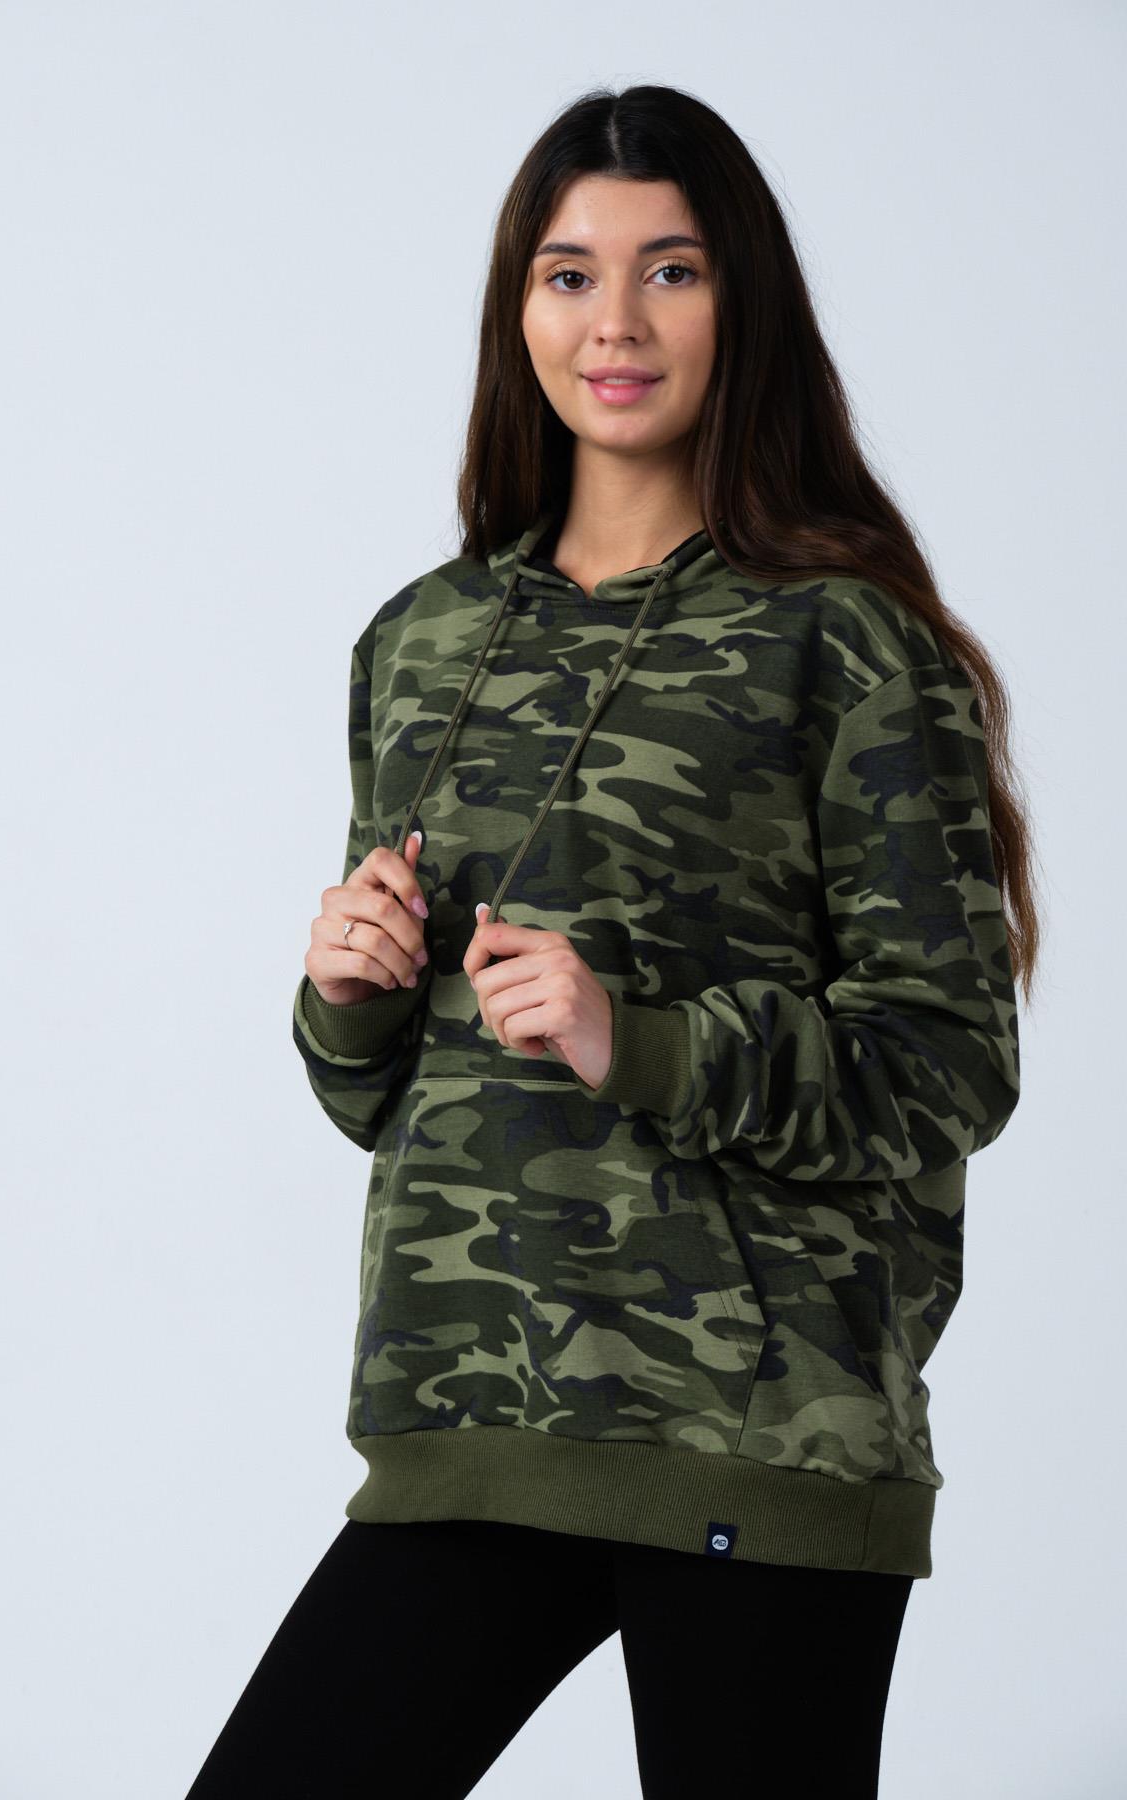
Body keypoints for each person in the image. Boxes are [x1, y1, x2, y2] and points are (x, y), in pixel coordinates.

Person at [185, 81, 1038, 1799]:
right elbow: (384, 1100)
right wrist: (347, 1000)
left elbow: (948, 1065)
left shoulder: (847, 645)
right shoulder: (424, 642)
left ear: (745, 305)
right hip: (470, 1411)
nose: (618, 323)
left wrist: (629, 1040)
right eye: (571, 274)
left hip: (763, 1436)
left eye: (674, 271)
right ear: (520, 309)